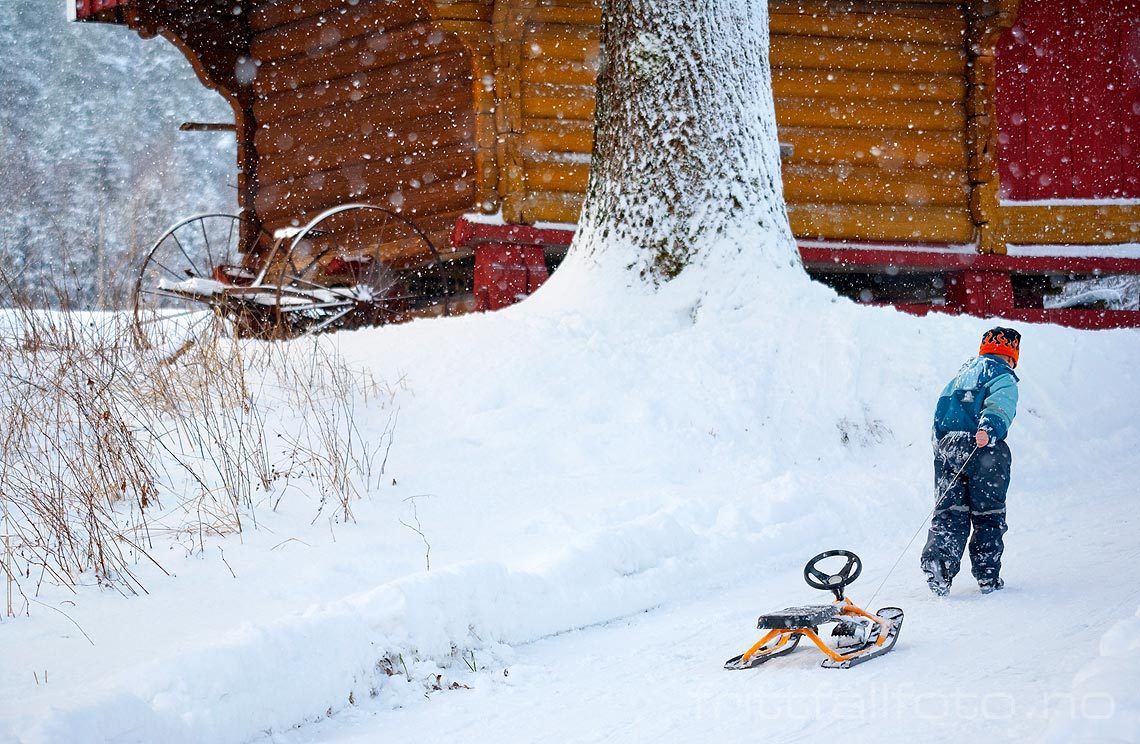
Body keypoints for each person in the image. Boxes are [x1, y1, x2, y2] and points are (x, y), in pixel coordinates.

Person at [921, 327, 1021, 596]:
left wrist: (940, 449)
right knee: (988, 513)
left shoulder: (958, 378)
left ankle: (939, 566)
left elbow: (939, 414)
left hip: (947, 448)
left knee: (949, 512)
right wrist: (989, 428)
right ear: (1011, 355)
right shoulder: (1002, 376)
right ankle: (987, 574)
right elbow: (1001, 405)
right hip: (984, 450)